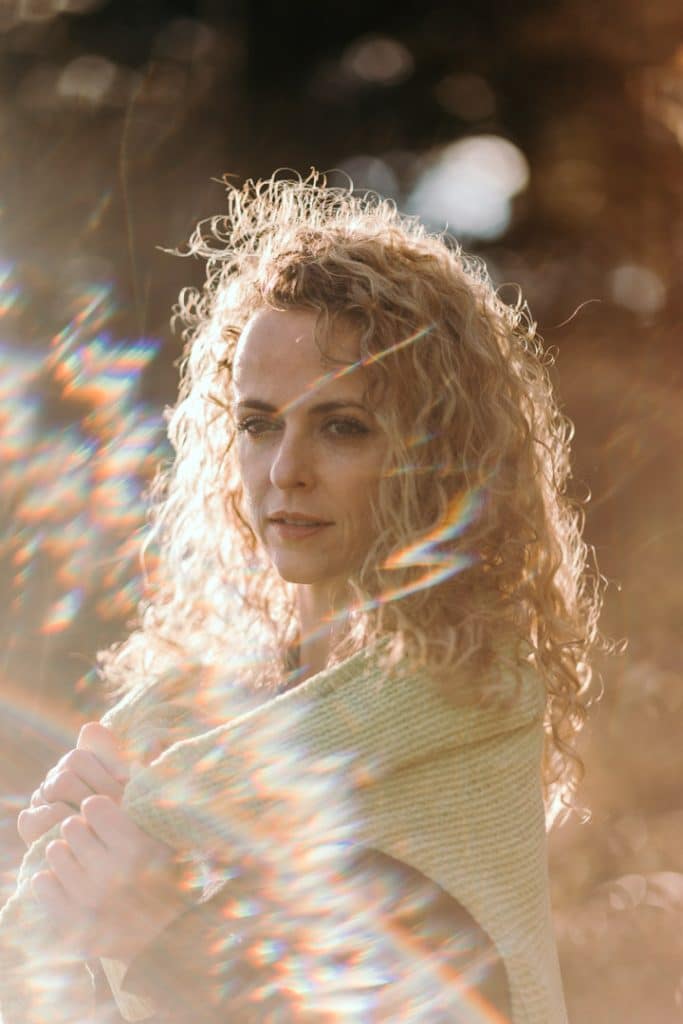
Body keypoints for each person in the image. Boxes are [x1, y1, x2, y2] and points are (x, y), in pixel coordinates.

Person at [3, 172, 601, 1024]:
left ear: (434, 454)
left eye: (342, 425)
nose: (286, 470)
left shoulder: (472, 705)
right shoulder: (194, 730)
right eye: (258, 423)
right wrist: (79, 864)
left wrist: (149, 926)